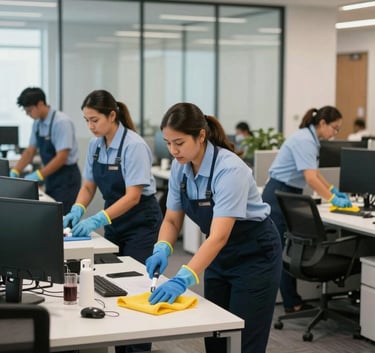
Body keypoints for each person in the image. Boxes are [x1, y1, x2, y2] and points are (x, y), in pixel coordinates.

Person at [145, 102, 282, 353]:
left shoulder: (230, 170)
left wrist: (183, 278)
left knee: (244, 340)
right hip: (219, 256)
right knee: (216, 335)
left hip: (254, 255)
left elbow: (219, 236)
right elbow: (172, 219)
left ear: (200, 136)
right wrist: (162, 247)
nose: (173, 150)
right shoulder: (180, 167)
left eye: (179, 142)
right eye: (168, 143)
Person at [63, 89, 162, 353]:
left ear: (112, 115)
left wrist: (99, 217)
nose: (90, 126)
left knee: (138, 287)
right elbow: (88, 186)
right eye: (86, 120)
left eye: (94, 120)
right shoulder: (96, 146)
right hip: (115, 221)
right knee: (115, 286)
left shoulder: (134, 145)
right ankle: (120, 346)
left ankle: (138, 348)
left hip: (142, 221)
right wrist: (77, 208)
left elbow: (133, 196)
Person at [262, 106, 352, 314]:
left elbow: (314, 173)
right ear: (322, 124)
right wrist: (333, 200)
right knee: (285, 249)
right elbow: (310, 178)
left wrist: (330, 190)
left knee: (289, 247)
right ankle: (292, 303)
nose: (335, 133)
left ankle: (293, 301)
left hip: (286, 192)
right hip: (280, 193)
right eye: (335, 128)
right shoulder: (305, 141)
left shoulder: (308, 138)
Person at [11, 87, 81, 214]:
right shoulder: (37, 123)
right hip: (51, 177)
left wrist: (39, 174)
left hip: (67, 178)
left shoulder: (61, 122)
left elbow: (62, 157)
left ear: (41, 104)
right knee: (50, 214)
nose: (28, 114)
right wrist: (16, 170)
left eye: (29, 110)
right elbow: (30, 151)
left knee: (62, 219)